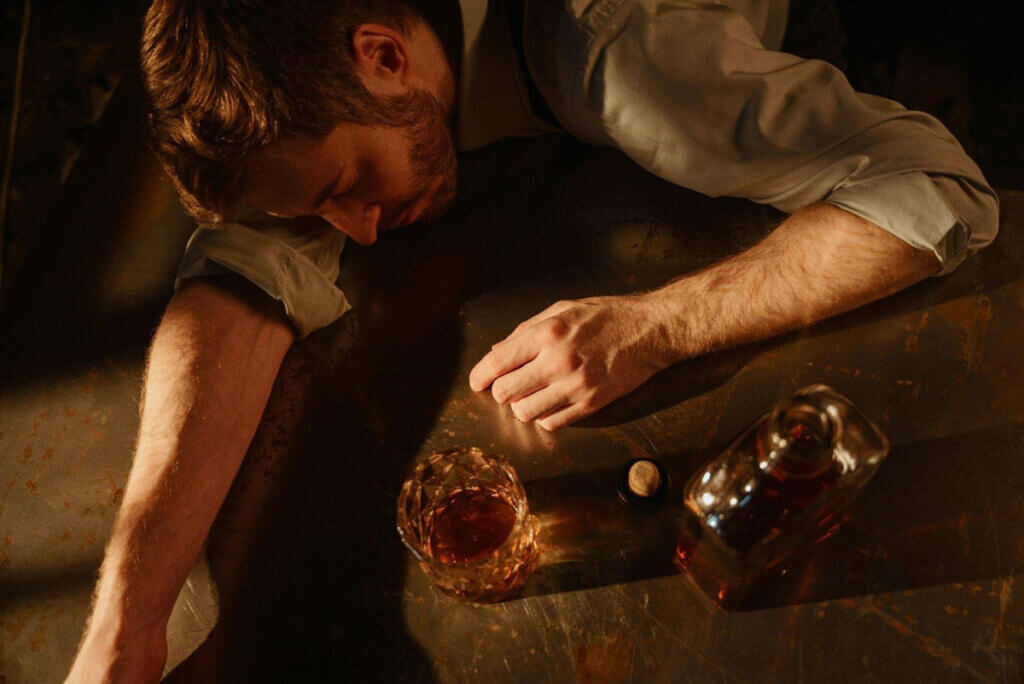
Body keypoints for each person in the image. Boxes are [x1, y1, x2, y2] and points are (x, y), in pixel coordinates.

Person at [67, 0, 998, 679]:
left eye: (350, 181)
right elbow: (240, 269)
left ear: (385, 53)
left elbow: (936, 194)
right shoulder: (309, 52)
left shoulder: (632, 66)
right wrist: (126, 626)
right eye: (321, 205)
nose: (354, 232)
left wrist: (658, 324)